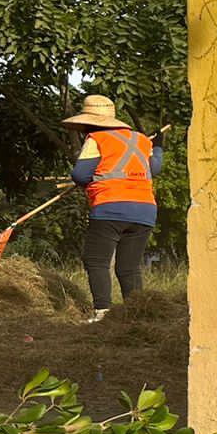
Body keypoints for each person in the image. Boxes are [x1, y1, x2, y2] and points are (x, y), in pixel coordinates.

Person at [64, 94, 163, 323]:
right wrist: (158, 148)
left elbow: (80, 175)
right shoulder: (140, 140)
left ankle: (103, 314)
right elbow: (154, 169)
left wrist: (86, 182)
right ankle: (137, 316)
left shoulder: (96, 139)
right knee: (129, 267)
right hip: (145, 210)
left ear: (88, 122)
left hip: (111, 206)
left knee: (96, 260)